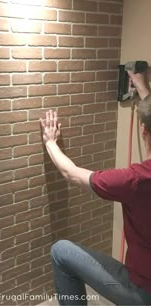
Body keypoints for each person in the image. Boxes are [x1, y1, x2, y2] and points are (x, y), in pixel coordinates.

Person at [40, 70, 151, 305]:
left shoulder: (134, 180)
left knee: (61, 251)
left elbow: (71, 173)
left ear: (143, 130)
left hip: (142, 294)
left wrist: (50, 142)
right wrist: (143, 89)